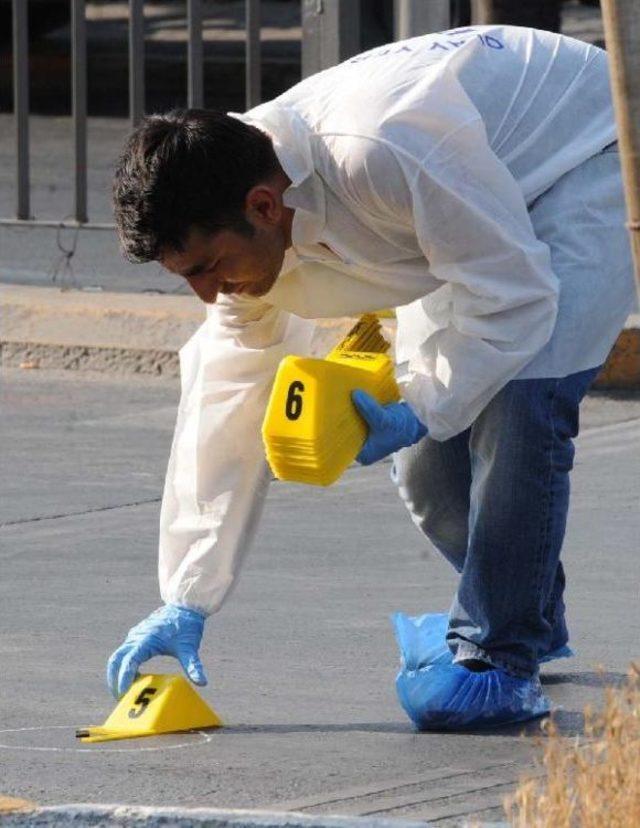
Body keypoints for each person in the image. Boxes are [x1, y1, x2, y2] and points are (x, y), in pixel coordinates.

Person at [107, 25, 636, 729]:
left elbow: (516, 296)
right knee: (424, 468)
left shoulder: (381, 152)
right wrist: (187, 593)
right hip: (466, 202)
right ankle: (529, 610)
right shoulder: (248, 199)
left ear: (265, 207)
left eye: (208, 268)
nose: (208, 296)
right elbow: (224, 401)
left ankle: (499, 655)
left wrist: (425, 402)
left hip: (578, 153)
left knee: (521, 406)